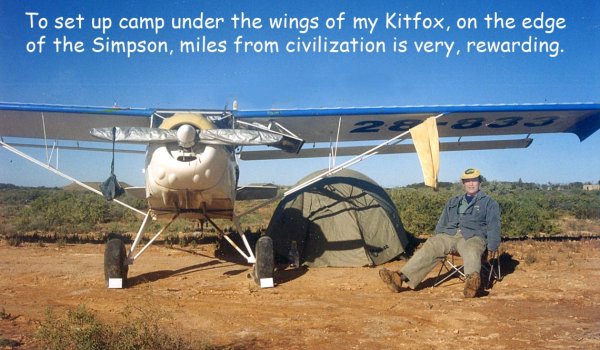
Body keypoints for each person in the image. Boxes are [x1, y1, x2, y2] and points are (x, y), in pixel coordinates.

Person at [379, 168, 501, 298]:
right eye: (467, 181)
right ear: (463, 183)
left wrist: (492, 246)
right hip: (450, 235)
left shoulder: (489, 203)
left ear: (480, 182)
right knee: (432, 243)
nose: (471, 184)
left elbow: (494, 226)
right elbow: (441, 224)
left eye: (474, 180)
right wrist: (439, 236)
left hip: (473, 237)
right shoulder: (453, 201)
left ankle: (472, 283)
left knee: (472, 249)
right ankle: (399, 278)